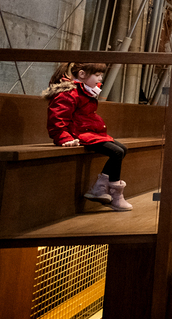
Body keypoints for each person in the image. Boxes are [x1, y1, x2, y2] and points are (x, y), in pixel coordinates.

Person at [45, 62, 132, 211]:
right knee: (117, 152)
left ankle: (100, 188)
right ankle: (115, 196)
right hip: (79, 134)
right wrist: (64, 138)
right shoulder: (70, 92)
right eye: (97, 75)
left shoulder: (84, 91)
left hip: (89, 132)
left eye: (101, 75)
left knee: (122, 149)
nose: (100, 78)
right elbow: (57, 118)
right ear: (82, 74)